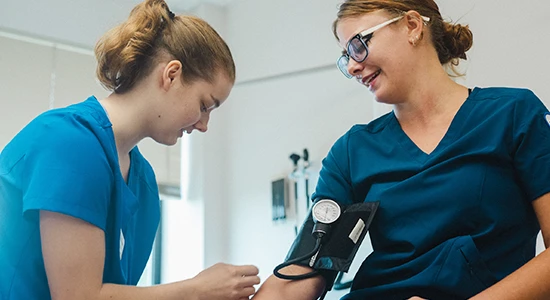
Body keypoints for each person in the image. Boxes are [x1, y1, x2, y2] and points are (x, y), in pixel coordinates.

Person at [252, 0, 550, 299]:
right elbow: (310, 267)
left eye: (359, 45)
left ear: (412, 26)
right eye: (346, 57)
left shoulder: (512, 116)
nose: (353, 66)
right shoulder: (353, 151)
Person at [0, 0, 260, 299]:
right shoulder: (68, 142)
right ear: (171, 75)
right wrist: (197, 291)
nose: (203, 125)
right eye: (204, 106)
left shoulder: (144, 183)